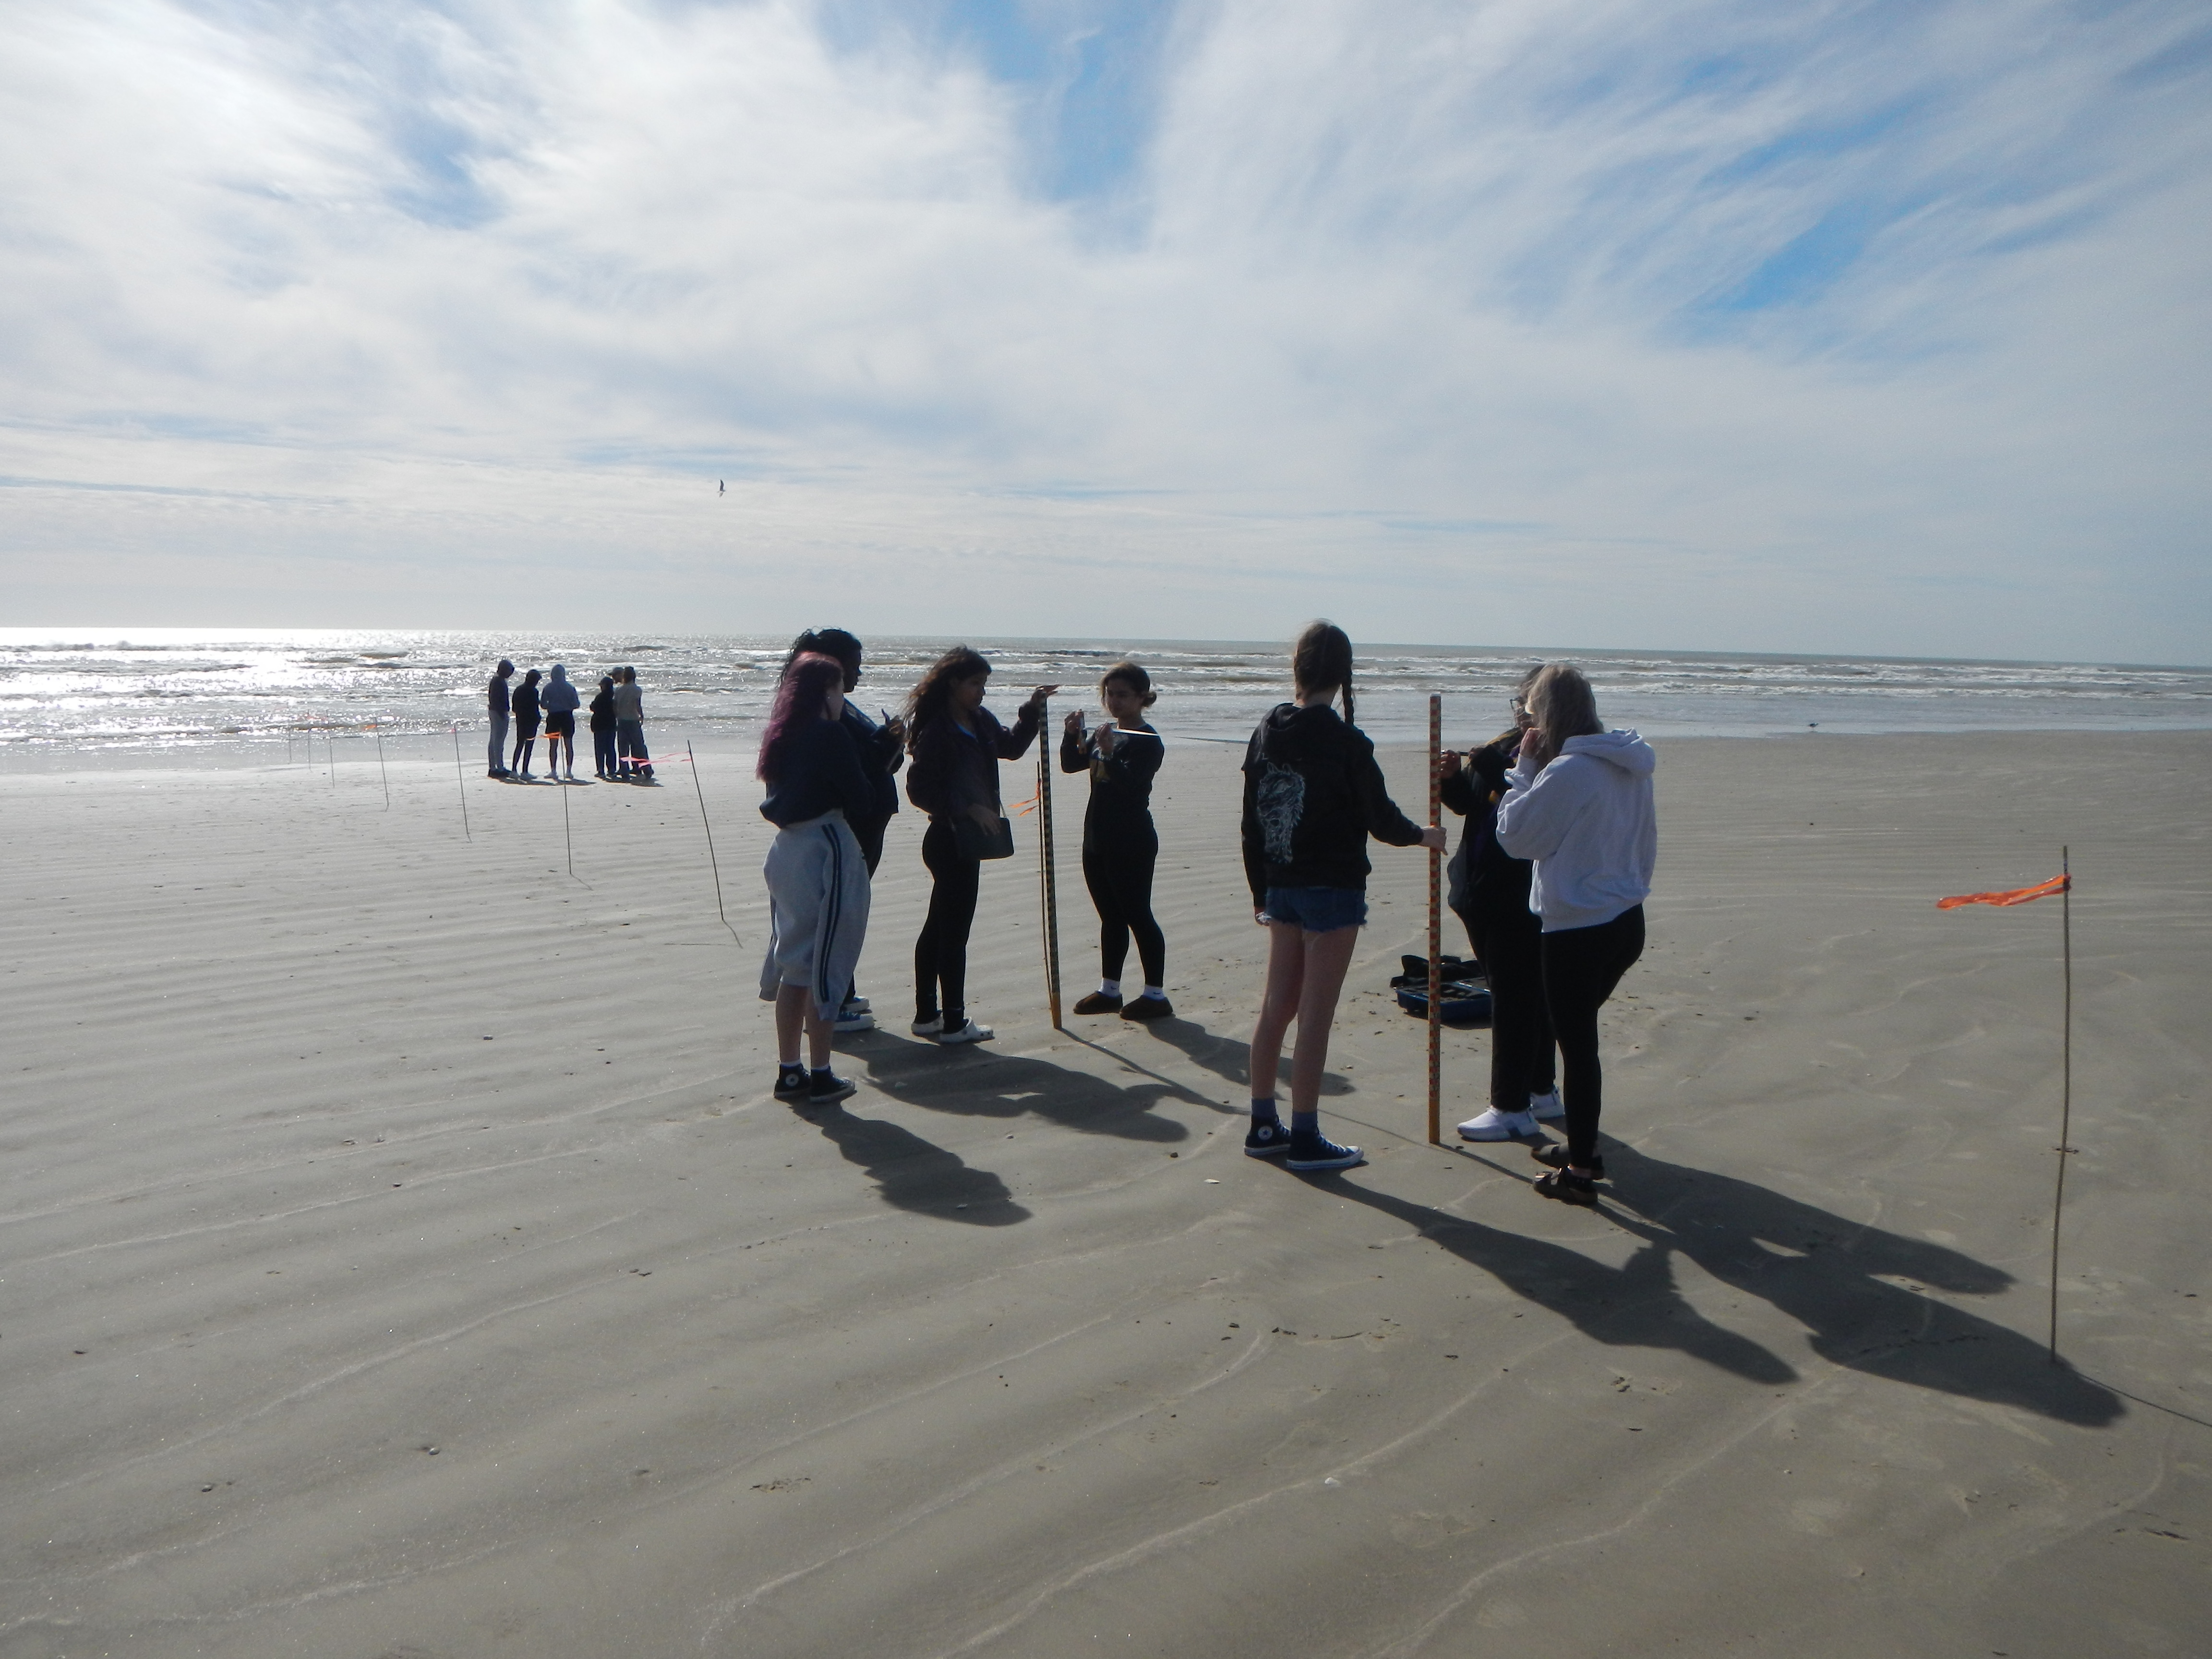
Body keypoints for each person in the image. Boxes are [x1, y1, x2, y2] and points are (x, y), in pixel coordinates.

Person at [1241, 623, 1445, 1172]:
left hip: (1282, 882)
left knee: (1277, 1006)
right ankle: (1304, 1135)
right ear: (1343, 675)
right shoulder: (1344, 740)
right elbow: (1379, 817)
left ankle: (1264, 1123)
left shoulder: (1268, 730)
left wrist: (1260, 889)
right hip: (1330, 887)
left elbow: (1251, 822)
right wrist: (1424, 835)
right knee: (1312, 1013)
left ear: (1298, 669)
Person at [1493, 664, 1656, 1204]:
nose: (1527, 723)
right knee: (1574, 1038)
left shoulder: (1571, 770)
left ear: (1548, 716)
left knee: (1577, 1048)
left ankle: (1582, 1169)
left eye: (1532, 714)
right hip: (1624, 918)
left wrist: (1523, 771)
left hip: (1579, 927)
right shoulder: (1626, 761)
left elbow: (1517, 838)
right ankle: (1582, 1148)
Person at [904, 647, 1057, 1046]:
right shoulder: (937, 729)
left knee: (939, 927)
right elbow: (919, 789)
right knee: (952, 933)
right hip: (947, 839)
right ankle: (953, 1021)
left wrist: (1032, 711)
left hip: (967, 842)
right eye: (975, 684)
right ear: (953, 683)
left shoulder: (977, 720)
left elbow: (1011, 747)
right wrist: (967, 808)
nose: (981, 692)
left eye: (984, 684)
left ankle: (927, 1016)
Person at [1439, 667, 1563, 1141]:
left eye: (1533, 702)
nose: (1525, 710)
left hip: (1518, 895)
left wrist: (1491, 769)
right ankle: (1539, 1089)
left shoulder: (1560, 753)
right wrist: (1454, 780)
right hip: (1478, 888)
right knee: (1522, 993)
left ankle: (1512, 1104)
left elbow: (1530, 807)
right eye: (1522, 702)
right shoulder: (1506, 742)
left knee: (1517, 998)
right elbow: (1476, 803)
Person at [757, 652, 876, 1107]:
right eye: (839, 686)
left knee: (796, 963)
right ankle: (821, 1072)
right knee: (828, 958)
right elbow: (860, 798)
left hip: (787, 848)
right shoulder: (829, 733)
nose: (843, 696)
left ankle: (791, 1070)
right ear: (826, 691)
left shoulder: (782, 733)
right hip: (826, 843)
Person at [781, 629, 905, 1034]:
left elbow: (866, 761)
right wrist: (885, 747)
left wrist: (889, 744)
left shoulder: (837, 709)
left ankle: (841, 991)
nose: (859, 674)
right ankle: (830, 1000)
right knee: (837, 914)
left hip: (865, 818)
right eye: (853, 667)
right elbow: (852, 769)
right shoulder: (820, 717)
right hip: (849, 823)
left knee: (846, 912)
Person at [1061, 661, 1171, 1021]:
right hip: (1097, 835)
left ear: (1142, 697)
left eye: (1123, 695)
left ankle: (1155, 995)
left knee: (1138, 913)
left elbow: (1133, 785)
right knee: (1110, 916)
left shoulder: (1148, 740)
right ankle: (1110, 990)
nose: (1114, 701)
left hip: (1132, 838)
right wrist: (1073, 734)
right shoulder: (1104, 733)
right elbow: (1071, 764)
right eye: (1109, 694)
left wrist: (1109, 753)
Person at [541, 664, 581, 781]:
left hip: (553, 716)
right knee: (568, 744)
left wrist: (552, 705)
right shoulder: (570, 687)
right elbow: (576, 704)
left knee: (553, 746)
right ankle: (569, 771)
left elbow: (543, 704)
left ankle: (554, 771)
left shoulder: (548, 687)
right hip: (567, 716)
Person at [613, 667, 652, 781]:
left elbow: (615, 706)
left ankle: (624, 772)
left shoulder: (619, 690)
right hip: (633, 720)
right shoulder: (637, 690)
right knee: (639, 747)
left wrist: (618, 716)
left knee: (623, 748)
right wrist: (641, 715)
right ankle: (647, 769)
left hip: (622, 721)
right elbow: (637, 704)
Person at [509, 668, 542, 778]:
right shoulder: (534, 692)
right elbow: (534, 708)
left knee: (519, 744)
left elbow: (514, 708)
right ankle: (525, 771)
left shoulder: (518, 690)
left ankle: (514, 770)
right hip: (531, 721)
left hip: (521, 720)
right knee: (529, 746)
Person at [486, 660, 514, 777]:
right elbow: (497, 699)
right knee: (498, 741)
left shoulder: (498, 680)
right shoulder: (499, 681)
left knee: (494, 740)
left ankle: (494, 767)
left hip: (495, 711)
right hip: (498, 712)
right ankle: (499, 767)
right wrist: (502, 713)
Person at [589, 675, 619, 780]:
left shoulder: (601, 697)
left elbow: (593, 707)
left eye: (602, 685)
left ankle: (601, 770)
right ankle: (612, 770)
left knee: (600, 748)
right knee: (610, 748)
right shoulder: (615, 696)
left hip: (600, 724)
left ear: (605, 686)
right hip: (611, 724)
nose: (601, 687)